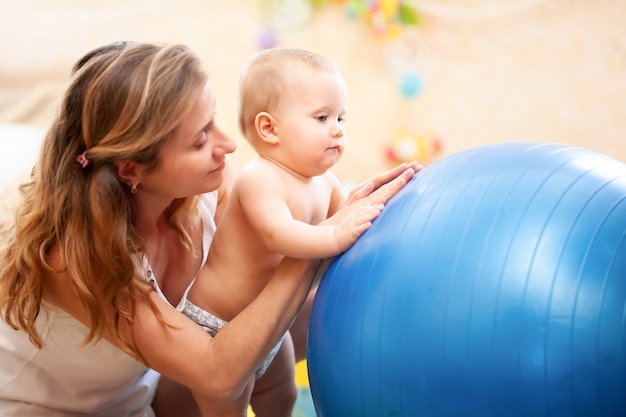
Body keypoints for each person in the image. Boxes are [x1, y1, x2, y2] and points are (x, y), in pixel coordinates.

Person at [0, 41, 417, 417]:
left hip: (148, 389)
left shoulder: (204, 190)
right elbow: (218, 374)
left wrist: (366, 214)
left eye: (213, 119)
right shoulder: (77, 259)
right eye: (200, 140)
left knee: (319, 308)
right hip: (55, 410)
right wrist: (323, 241)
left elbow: (276, 259)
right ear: (131, 169)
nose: (228, 144)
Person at [182, 47, 416, 417]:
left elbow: (346, 212)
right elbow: (281, 235)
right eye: (321, 117)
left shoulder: (324, 179)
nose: (337, 129)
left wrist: (383, 202)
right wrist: (336, 236)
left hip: (271, 323)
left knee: (281, 394)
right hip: (215, 327)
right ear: (269, 128)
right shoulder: (259, 179)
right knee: (226, 407)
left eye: (340, 117)